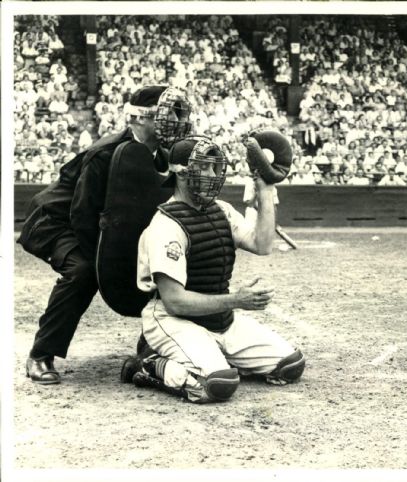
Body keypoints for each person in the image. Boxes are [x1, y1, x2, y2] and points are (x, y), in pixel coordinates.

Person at [17, 85, 193, 385]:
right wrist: (104, 263)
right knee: (83, 272)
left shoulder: (161, 157)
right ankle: (41, 354)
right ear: (137, 119)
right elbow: (82, 213)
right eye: (162, 117)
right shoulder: (105, 153)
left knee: (160, 271)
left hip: (97, 226)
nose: (172, 124)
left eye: (175, 116)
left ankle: (151, 347)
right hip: (57, 222)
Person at [120, 136, 305, 403]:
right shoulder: (165, 226)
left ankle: (209, 354)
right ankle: (148, 364)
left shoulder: (222, 211)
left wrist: (265, 189)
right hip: (175, 319)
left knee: (290, 365)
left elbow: (262, 244)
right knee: (216, 384)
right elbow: (175, 302)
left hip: (220, 319)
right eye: (205, 167)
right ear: (181, 173)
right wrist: (237, 300)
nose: (213, 174)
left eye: (215, 167)